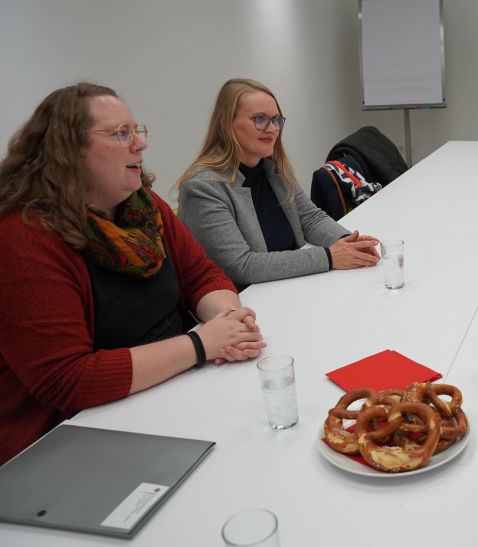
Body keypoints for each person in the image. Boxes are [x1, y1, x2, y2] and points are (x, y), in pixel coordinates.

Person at [0, 83, 267, 465]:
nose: (139, 145)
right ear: (67, 151)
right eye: (120, 134)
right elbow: (68, 380)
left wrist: (229, 322)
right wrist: (200, 345)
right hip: (70, 440)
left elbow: (202, 276)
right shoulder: (23, 237)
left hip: (170, 390)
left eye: (136, 131)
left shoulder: (143, 205)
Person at [177, 78, 380, 289]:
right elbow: (242, 266)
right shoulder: (202, 188)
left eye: (276, 120)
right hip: (246, 304)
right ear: (225, 122)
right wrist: (329, 257)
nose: (272, 129)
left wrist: (349, 242)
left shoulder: (272, 167)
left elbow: (310, 218)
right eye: (260, 119)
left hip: (287, 286)